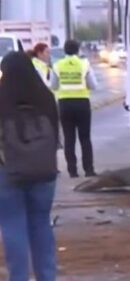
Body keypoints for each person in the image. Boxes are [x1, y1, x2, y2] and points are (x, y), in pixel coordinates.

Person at [0, 51, 60, 281]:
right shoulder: (45, 97)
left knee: (12, 225)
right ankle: (47, 276)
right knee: (41, 224)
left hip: (8, 172)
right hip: (44, 172)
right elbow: (56, 136)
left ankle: (19, 277)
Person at [53, 39, 99, 178]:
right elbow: (93, 85)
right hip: (82, 103)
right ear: (78, 50)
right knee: (85, 138)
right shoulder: (84, 64)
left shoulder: (57, 65)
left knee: (69, 138)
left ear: (64, 50)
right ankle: (89, 170)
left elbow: (53, 85)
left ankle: (72, 171)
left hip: (65, 104)